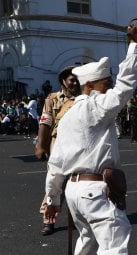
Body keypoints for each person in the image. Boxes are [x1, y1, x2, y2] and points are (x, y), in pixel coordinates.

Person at [43, 24, 137, 255]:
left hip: (74, 192)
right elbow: (127, 86)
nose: (108, 87)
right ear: (91, 86)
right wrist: (134, 46)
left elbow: (55, 164)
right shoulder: (93, 107)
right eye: (104, 83)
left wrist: (52, 200)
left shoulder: (69, 115)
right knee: (116, 247)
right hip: (95, 191)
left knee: (87, 244)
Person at [35, 66, 80, 236]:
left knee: (78, 182)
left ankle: (81, 217)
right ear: (63, 81)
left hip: (79, 145)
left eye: (77, 79)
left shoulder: (84, 98)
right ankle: (48, 220)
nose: (75, 82)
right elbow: (45, 123)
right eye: (72, 79)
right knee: (55, 182)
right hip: (59, 145)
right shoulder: (52, 99)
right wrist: (41, 146)